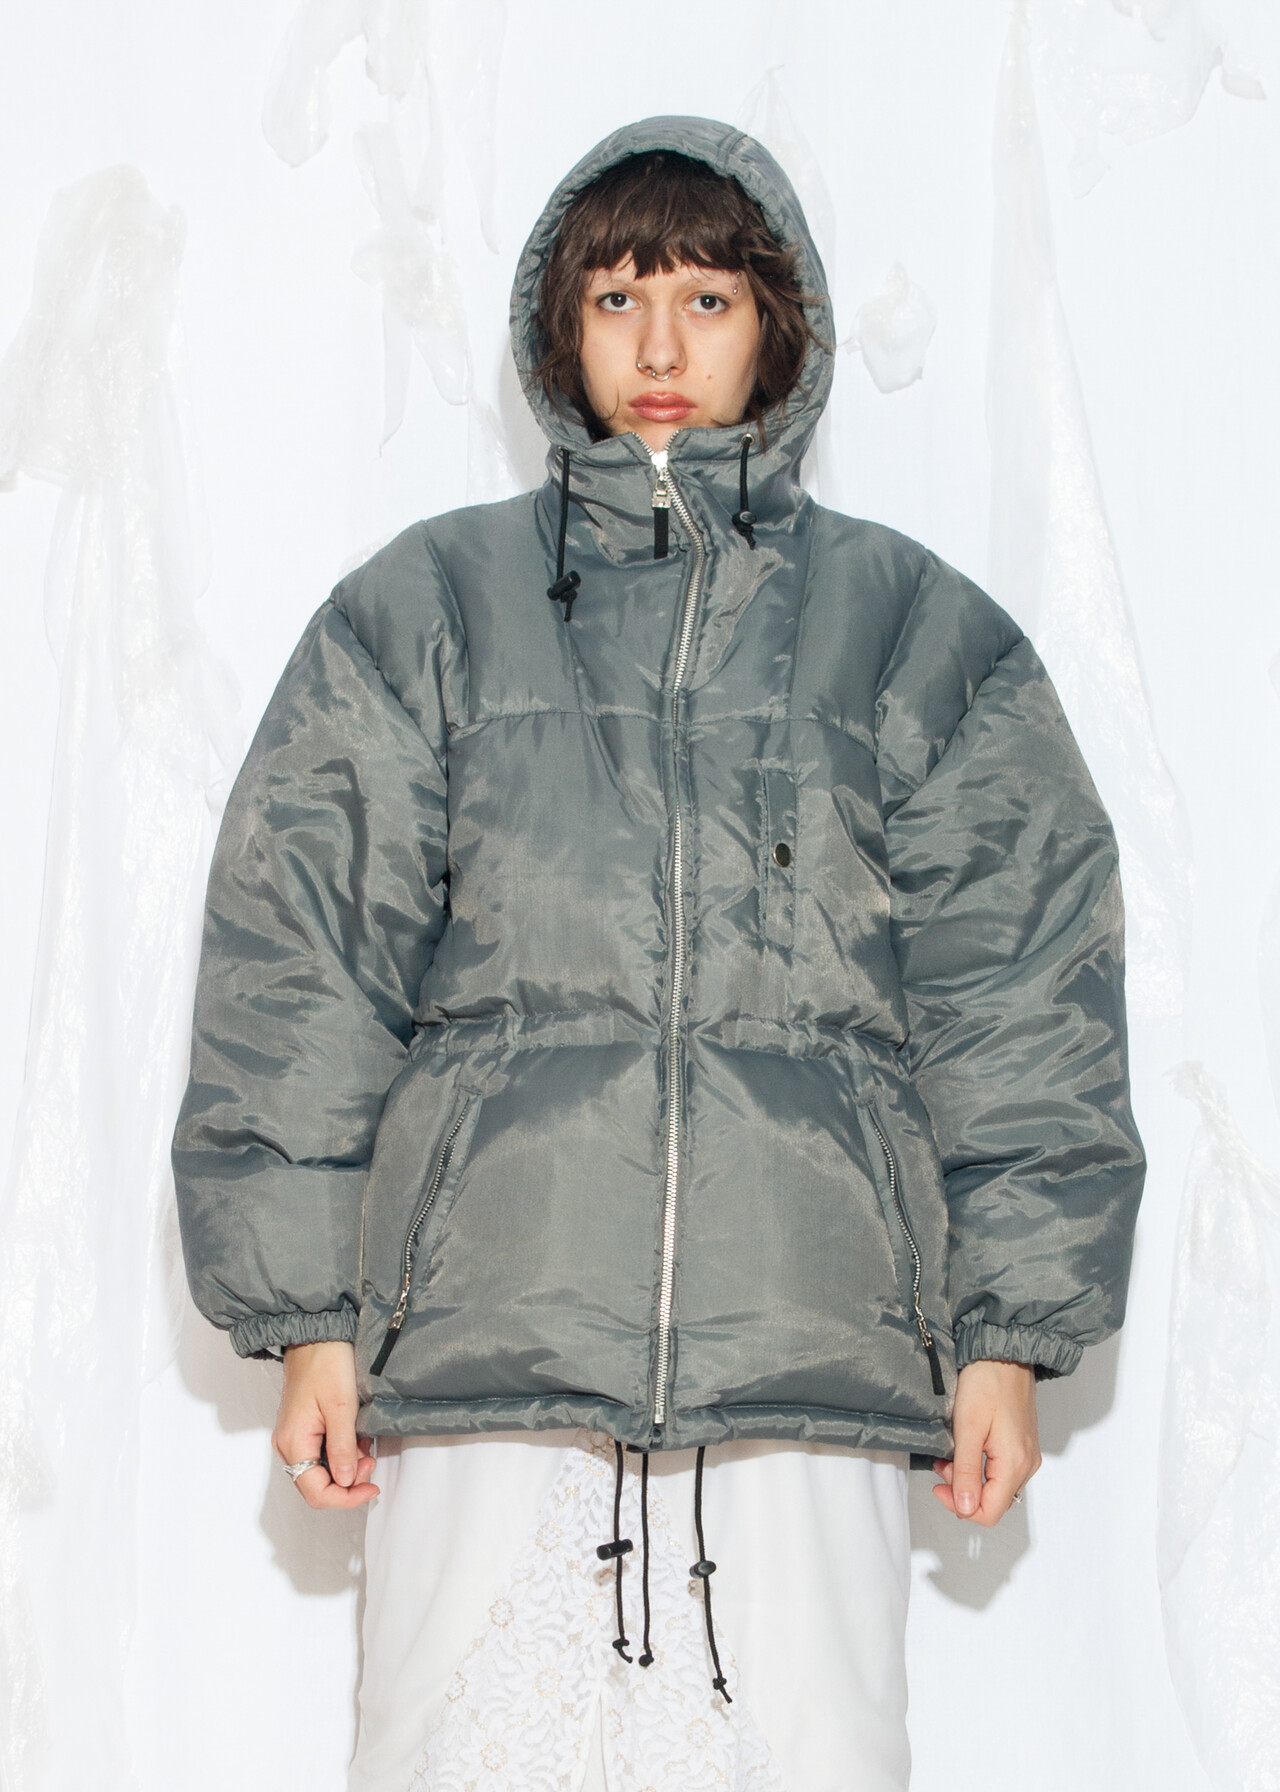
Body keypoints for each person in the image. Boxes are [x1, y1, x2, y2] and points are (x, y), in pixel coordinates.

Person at [172, 117, 1145, 1791]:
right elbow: (303, 961)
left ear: (779, 323)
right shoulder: (427, 611)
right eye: (618, 299)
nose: (663, 349)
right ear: (562, 328)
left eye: (707, 300)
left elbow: (1023, 987)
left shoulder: (916, 634)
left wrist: (1009, 1330)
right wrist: (307, 1312)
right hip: (484, 1340)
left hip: (808, 1344)